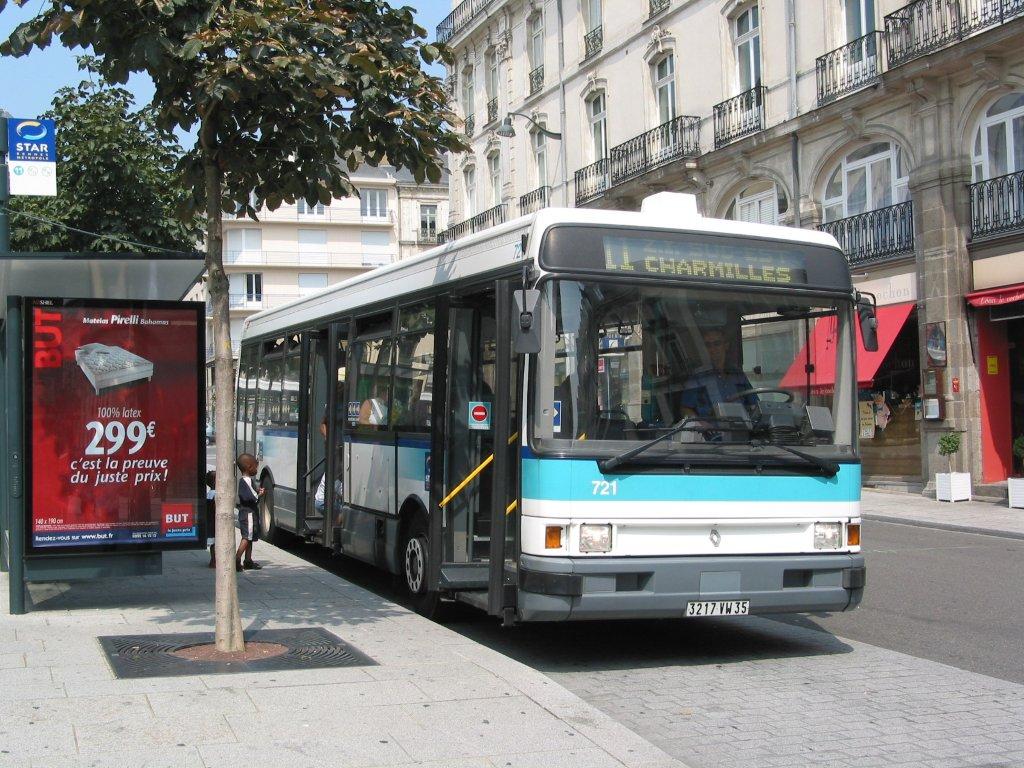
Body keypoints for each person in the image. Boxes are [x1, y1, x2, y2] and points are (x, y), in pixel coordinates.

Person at [680, 326, 756, 419]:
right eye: (708, 345)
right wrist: (700, 424)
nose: (712, 349)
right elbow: (685, 409)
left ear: (726, 345)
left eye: (717, 344)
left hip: (741, 428)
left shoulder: (737, 374)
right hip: (712, 431)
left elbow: (754, 404)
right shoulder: (698, 377)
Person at [235, 453, 264, 571]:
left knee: (250, 537)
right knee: (247, 537)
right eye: (255, 467)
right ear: (248, 466)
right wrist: (259, 494)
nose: (256, 469)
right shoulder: (246, 480)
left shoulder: (246, 480)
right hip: (249, 514)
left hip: (248, 512)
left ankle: (248, 560)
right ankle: (237, 558)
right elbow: (250, 496)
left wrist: (256, 491)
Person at [205, 470, 216, 568]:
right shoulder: (215, 494)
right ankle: (214, 560)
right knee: (216, 542)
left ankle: (212, 559)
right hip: (215, 522)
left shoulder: (209, 493)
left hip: (210, 521)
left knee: (213, 543)